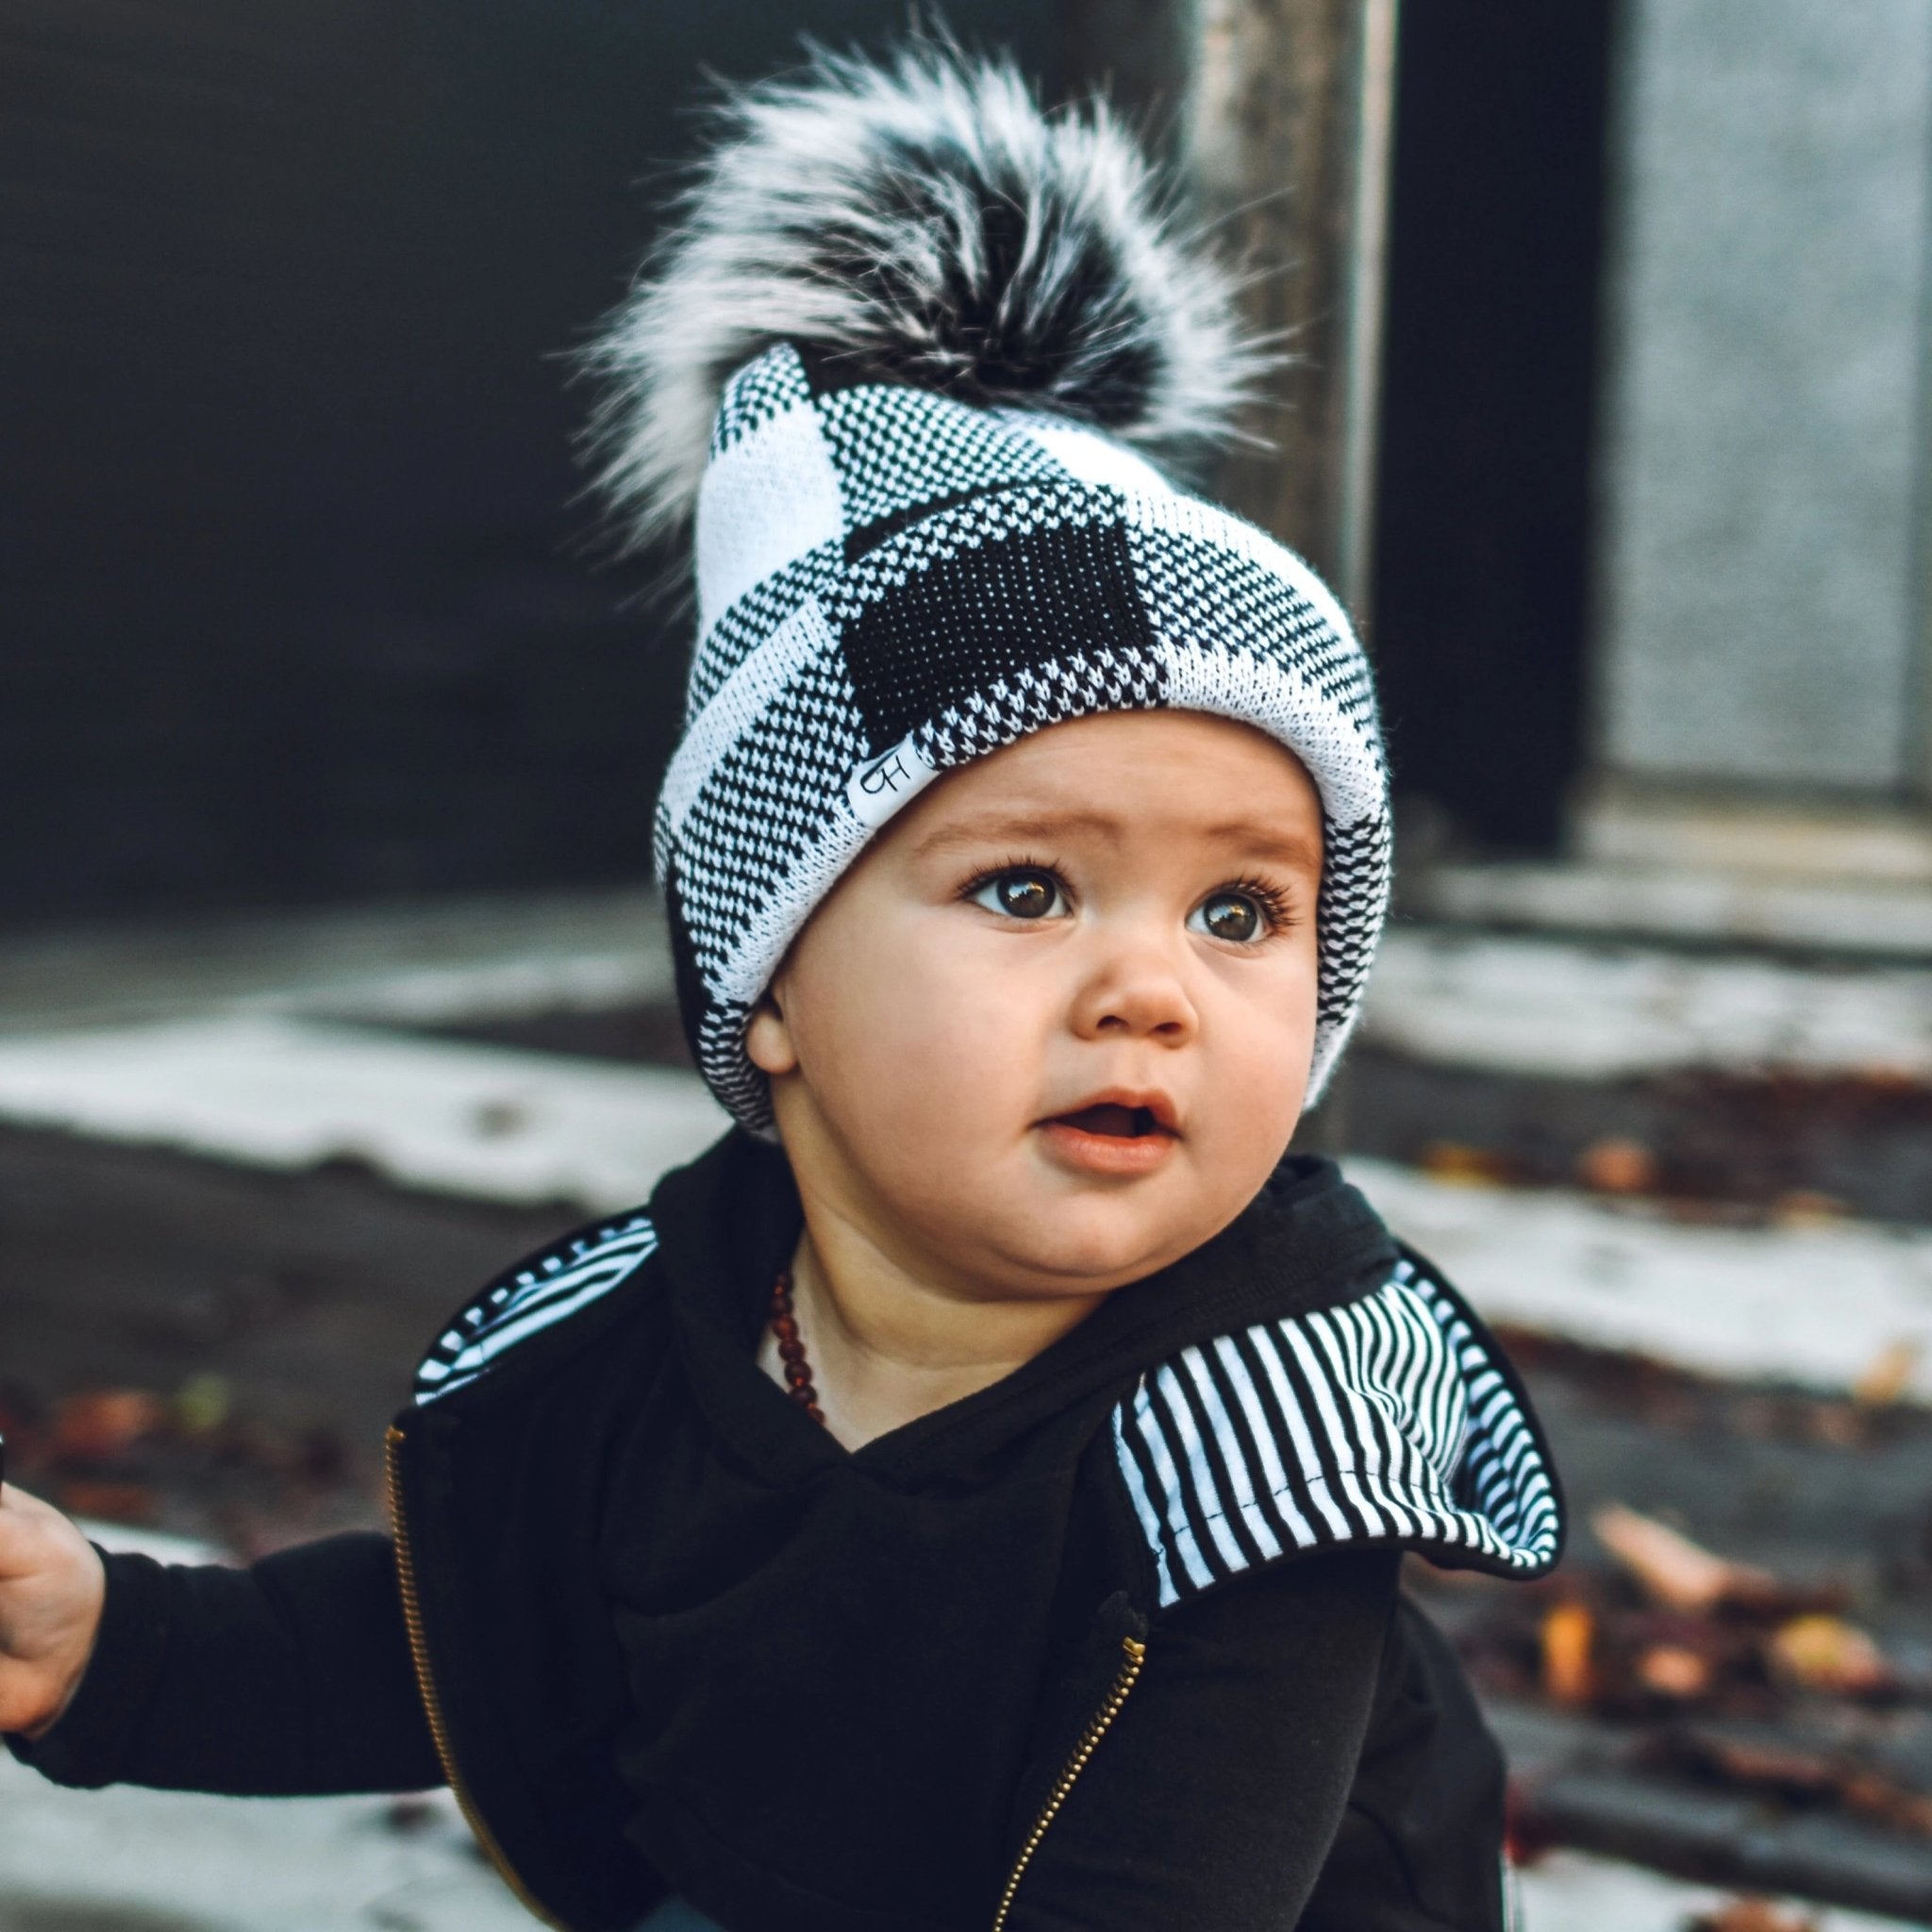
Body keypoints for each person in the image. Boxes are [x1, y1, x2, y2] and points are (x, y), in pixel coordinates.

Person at [0, 40, 1562, 1932]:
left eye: (1239, 916)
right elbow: (468, 1641)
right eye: (1022, 884)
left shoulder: (1258, 1447)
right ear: (771, 988)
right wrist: (122, 1645)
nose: (1149, 989)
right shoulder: (659, 1348)